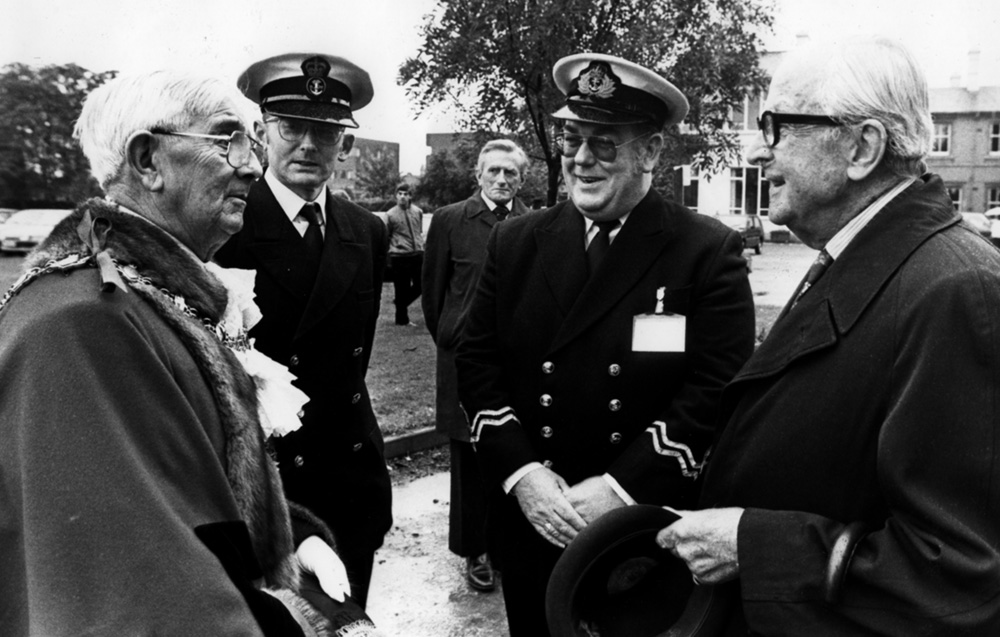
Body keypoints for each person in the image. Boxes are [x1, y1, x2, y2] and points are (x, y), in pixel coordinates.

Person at [0, 70, 382, 636]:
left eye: (250, 143)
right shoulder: (81, 321)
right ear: (148, 161)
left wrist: (292, 538)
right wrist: (302, 621)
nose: (252, 165)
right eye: (228, 140)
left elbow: (197, 483)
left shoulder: (141, 296)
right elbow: (131, 596)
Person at [656, 36, 1000, 635]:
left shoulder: (954, 289)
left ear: (861, 147)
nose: (764, 152)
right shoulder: (864, 256)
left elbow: (958, 577)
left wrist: (752, 545)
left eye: (778, 126)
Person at [455, 53, 756, 636]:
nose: (582, 159)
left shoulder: (704, 251)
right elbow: (476, 362)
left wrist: (621, 489)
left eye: (605, 144)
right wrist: (524, 476)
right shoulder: (515, 243)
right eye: (571, 139)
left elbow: (714, 390)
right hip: (533, 520)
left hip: (643, 535)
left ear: (650, 152)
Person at [215, 52, 391, 609]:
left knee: (349, 617)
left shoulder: (366, 231)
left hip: (350, 477)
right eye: (293, 127)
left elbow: (350, 364)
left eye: (324, 130)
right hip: (270, 487)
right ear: (263, 132)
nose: (308, 145)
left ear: (344, 143)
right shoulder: (228, 230)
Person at [421, 139, 531, 592]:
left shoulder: (533, 223)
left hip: (517, 361)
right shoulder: (450, 220)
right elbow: (432, 295)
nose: (502, 180)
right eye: (494, 172)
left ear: (522, 179)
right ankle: (475, 551)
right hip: (464, 360)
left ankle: (509, 546)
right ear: (479, 175)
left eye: (511, 173)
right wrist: (452, 336)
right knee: (468, 457)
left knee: (512, 451)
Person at [385, 182, 425, 325]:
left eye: (406, 194)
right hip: (399, 255)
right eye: (400, 194)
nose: (402, 197)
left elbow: (418, 231)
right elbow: (387, 235)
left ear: (410, 196)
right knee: (401, 287)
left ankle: (400, 302)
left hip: (417, 253)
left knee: (421, 284)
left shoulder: (418, 211)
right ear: (396, 196)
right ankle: (401, 319)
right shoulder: (390, 214)